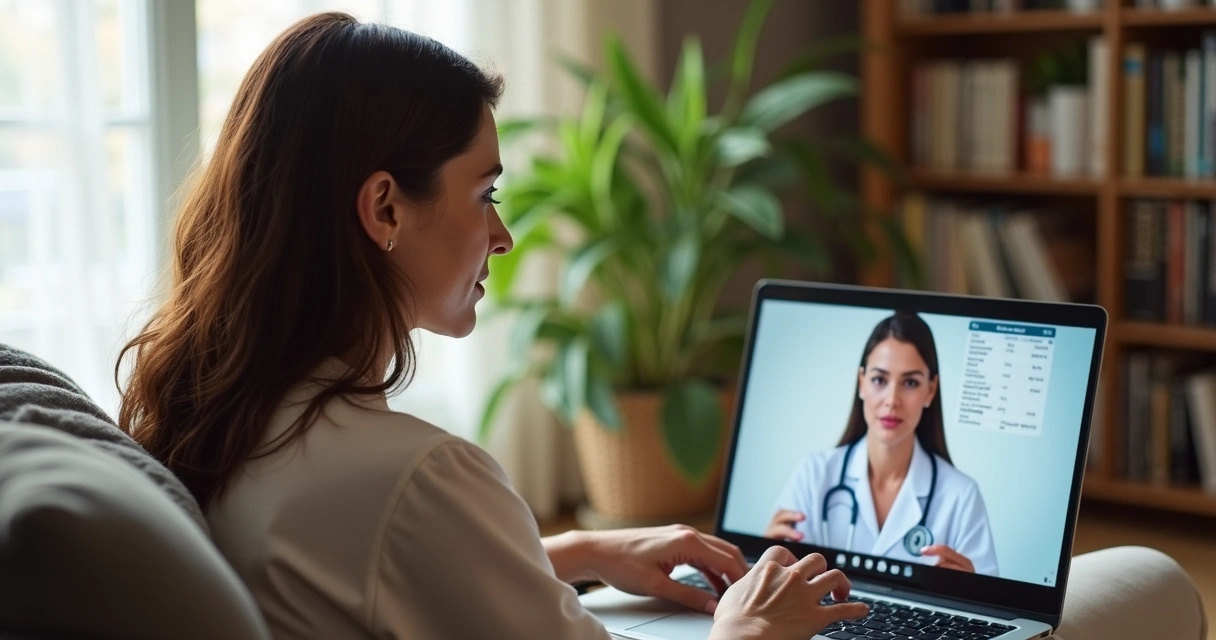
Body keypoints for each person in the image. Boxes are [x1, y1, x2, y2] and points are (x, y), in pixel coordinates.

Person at [115, 12, 872, 640]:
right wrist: (748, 629)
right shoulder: (416, 476)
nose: (502, 236)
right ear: (385, 208)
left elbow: (366, 566)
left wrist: (573, 551)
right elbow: (396, 526)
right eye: (485, 194)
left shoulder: (229, 416)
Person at [764, 311, 999, 577]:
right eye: (879, 380)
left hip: (916, 621)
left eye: (910, 382)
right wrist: (765, 563)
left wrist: (975, 591)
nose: (892, 399)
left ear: (930, 390)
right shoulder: (813, 474)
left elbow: (991, 606)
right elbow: (780, 582)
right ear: (861, 382)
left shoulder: (962, 496)